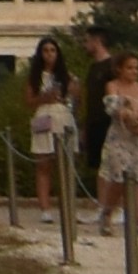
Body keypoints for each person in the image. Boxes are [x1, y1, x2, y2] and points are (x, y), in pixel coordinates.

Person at [98, 48, 138, 243]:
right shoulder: (113, 86)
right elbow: (114, 109)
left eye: (136, 68)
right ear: (120, 69)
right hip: (120, 138)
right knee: (118, 178)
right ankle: (107, 213)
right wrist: (129, 114)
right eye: (130, 68)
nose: (134, 71)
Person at [24, 38, 78, 212]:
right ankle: (45, 208)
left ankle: (68, 207)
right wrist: (44, 98)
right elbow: (29, 102)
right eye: (45, 50)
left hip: (63, 117)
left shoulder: (68, 76)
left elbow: (76, 101)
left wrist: (73, 91)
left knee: (66, 165)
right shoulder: (35, 77)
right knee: (43, 165)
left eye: (52, 50)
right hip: (43, 116)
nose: (49, 54)